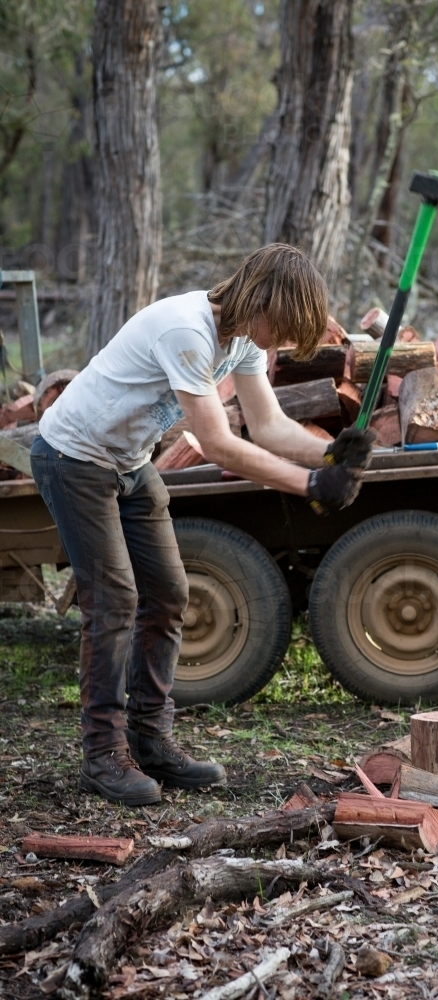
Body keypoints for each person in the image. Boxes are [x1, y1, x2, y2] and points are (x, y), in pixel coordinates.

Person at [30, 244, 374, 806]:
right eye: (281, 327)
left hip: (128, 461)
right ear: (260, 298)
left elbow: (268, 426)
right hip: (73, 457)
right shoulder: (186, 330)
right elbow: (218, 443)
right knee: (114, 600)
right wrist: (311, 487)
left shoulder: (241, 338)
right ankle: (102, 755)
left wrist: (331, 454)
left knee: (168, 592)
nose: (279, 342)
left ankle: (151, 739)